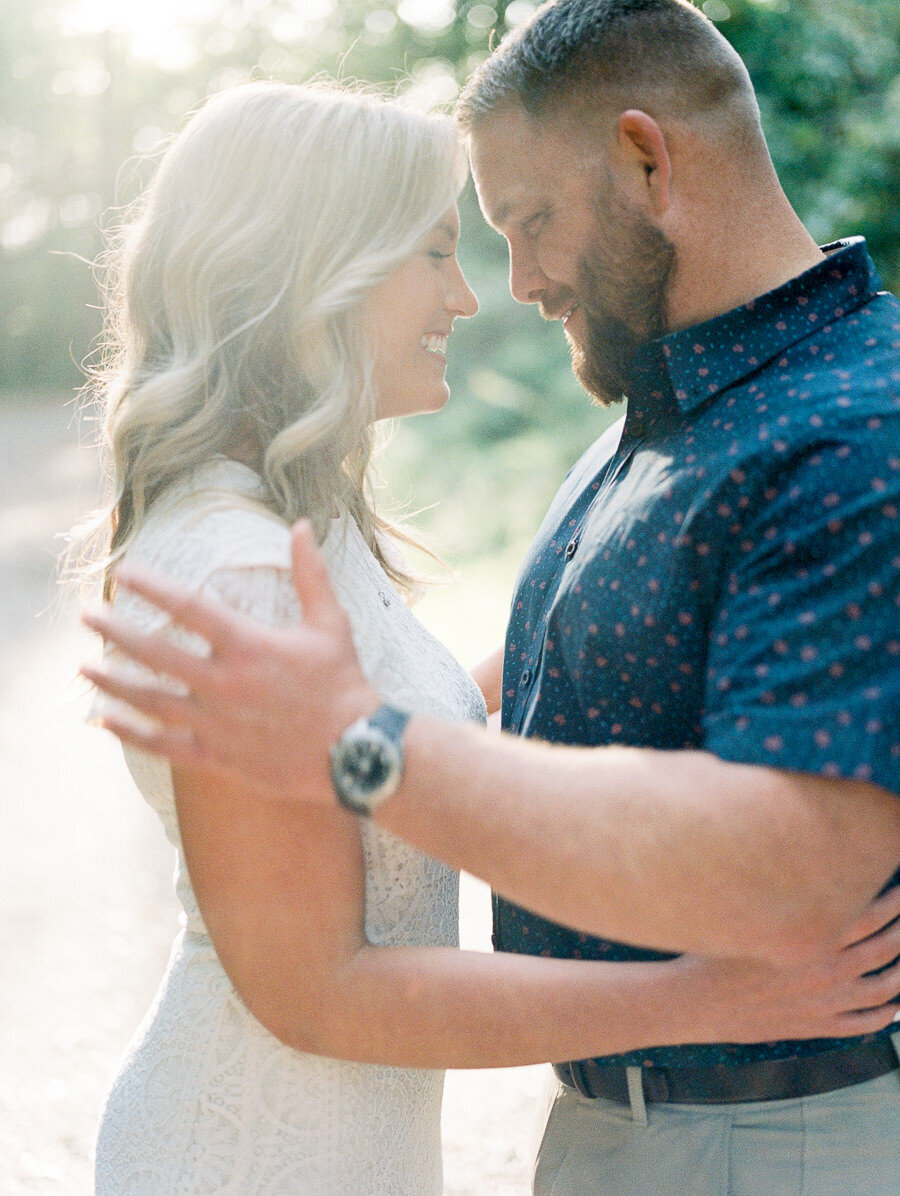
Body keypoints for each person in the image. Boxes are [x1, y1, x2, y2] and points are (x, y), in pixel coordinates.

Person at [80, 2, 900, 1189]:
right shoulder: (660, 419)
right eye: (440, 247)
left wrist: (361, 743)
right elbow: (326, 940)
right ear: (312, 273)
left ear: (644, 159)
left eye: (522, 224)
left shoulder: (841, 428)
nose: (491, 288)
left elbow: (786, 872)